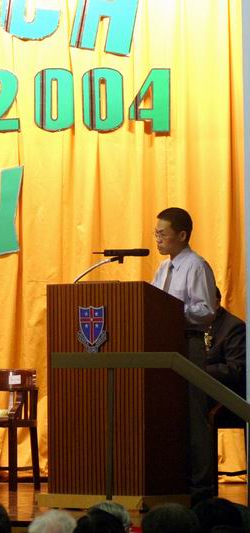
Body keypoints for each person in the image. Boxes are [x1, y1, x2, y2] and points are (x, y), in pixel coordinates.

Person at [151, 207, 218, 501]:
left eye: (162, 233)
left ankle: (200, 487)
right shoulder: (162, 269)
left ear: (181, 235)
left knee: (192, 415)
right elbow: (151, 303)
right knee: (168, 414)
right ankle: (171, 481)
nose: (157, 239)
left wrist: (171, 312)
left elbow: (206, 310)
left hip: (188, 345)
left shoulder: (196, 265)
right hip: (162, 347)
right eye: (155, 233)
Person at [205, 288, 246, 396]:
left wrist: (198, 370)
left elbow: (235, 370)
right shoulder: (194, 325)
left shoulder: (234, 327)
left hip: (222, 396)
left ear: (216, 303)